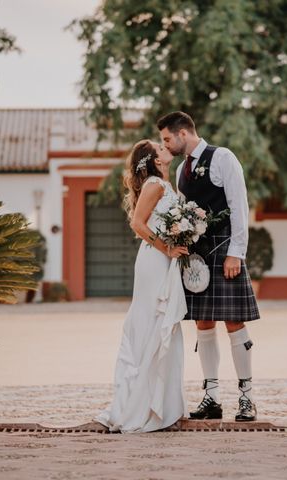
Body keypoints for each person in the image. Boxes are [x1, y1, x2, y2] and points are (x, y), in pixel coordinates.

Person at [157, 111, 260, 422]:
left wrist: (236, 253)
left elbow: (239, 206)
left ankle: (246, 398)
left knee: (234, 322)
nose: (166, 145)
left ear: (183, 134)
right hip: (197, 255)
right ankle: (212, 398)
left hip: (223, 249)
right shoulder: (181, 172)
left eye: (166, 139)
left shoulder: (222, 158)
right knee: (203, 323)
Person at [95, 140, 189, 433]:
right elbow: (138, 224)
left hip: (163, 260)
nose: (165, 148)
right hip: (154, 261)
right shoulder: (155, 185)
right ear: (154, 160)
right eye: (159, 148)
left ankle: (163, 405)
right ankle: (143, 406)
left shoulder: (165, 184)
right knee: (153, 323)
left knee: (165, 325)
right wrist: (167, 249)